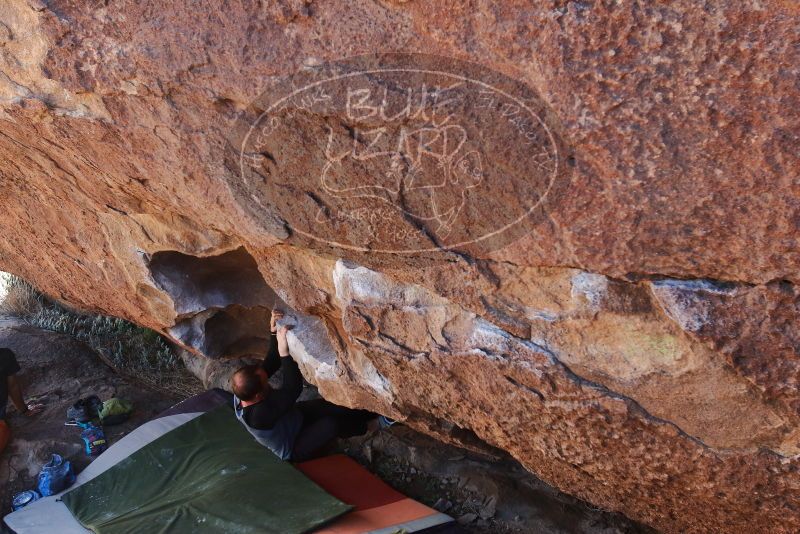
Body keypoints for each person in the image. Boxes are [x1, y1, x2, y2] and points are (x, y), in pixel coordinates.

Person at [232, 310, 377, 462]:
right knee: (330, 425)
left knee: (335, 406)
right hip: (293, 445)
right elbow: (292, 389)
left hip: (294, 417)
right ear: (258, 396)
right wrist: (285, 353)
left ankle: (374, 412)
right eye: (265, 382)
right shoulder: (258, 416)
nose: (266, 379)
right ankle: (372, 426)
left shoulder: (245, 388)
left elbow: (271, 363)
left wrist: (274, 332)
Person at [1, 347, 43, 454]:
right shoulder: (5, 355)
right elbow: (13, 386)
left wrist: (24, 410)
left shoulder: (5, 355)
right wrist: (24, 410)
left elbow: (13, 386)